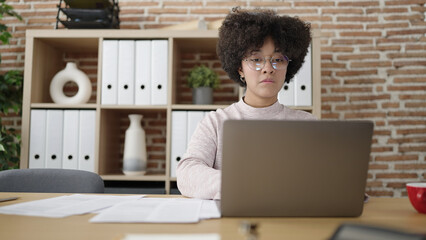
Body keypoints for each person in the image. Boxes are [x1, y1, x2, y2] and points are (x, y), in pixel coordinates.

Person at [176, 8, 316, 200]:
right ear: (240, 68)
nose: (268, 68)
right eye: (256, 59)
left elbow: (329, 179)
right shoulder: (216, 122)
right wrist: (244, 183)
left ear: (288, 67)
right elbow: (187, 173)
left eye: (277, 59)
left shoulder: (308, 125)